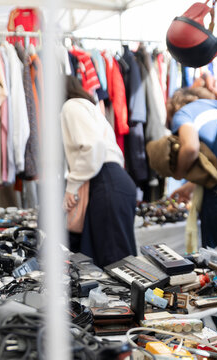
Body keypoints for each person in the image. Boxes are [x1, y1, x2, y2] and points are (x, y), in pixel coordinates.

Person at [61, 75, 137, 268]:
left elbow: (93, 147)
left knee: (115, 264)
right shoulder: (87, 107)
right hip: (112, 180)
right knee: (116, 261)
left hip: (106, 181)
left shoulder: (71, 106)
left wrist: (72, 186)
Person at [167, 87, 217, 249]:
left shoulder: (184, 113)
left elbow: (190, 148)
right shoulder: (216, 105)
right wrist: (191, 185)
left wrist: (178, 173)